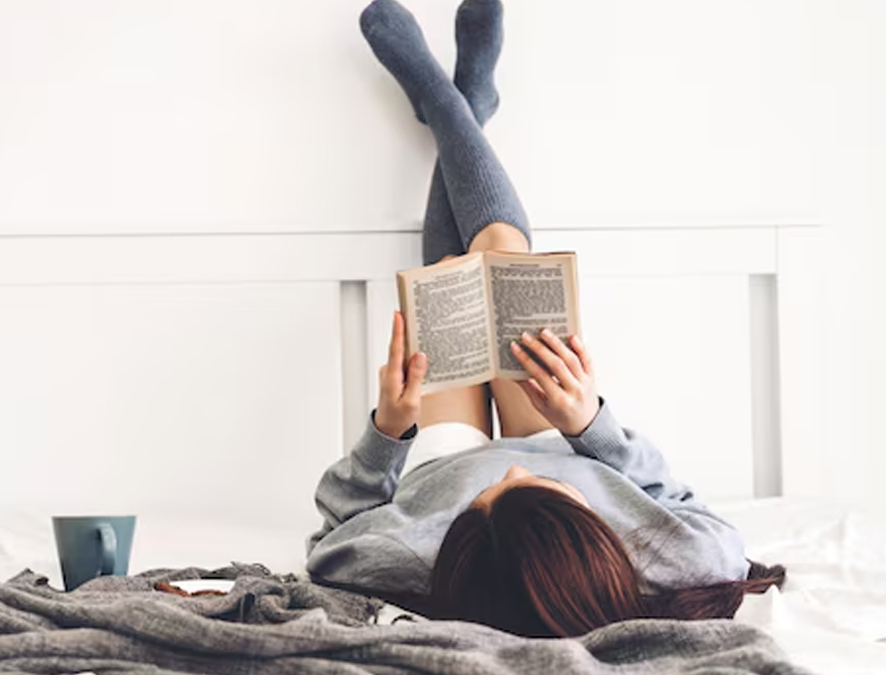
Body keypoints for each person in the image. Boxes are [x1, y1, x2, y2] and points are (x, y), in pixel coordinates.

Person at [305, 0, 784, 638]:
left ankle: (456, 104)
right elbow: (682, 503)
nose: (514, 468)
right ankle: (452, 102)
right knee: (501, 256)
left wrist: (388, 433)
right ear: (595, 538)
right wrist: (591, 425)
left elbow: (333, 535)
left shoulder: (406, 559)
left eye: (488, 502)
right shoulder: (683, 562)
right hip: (563, 430)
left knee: (450, 278)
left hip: (442, 468)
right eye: (539, 490)